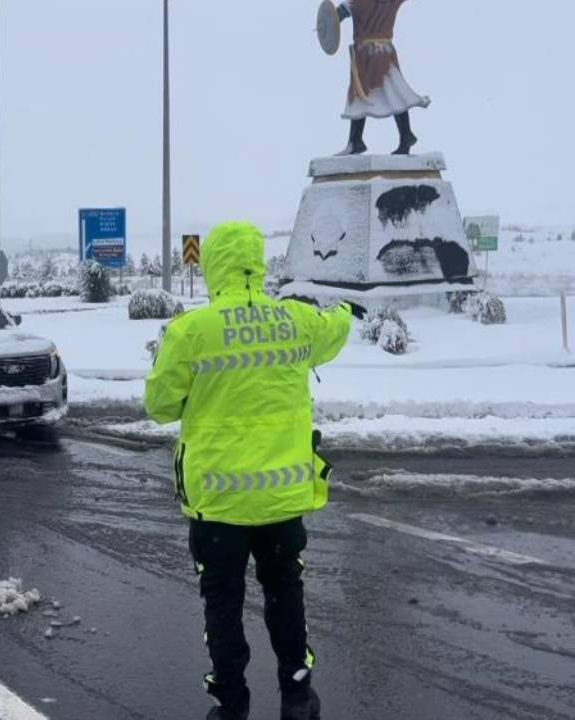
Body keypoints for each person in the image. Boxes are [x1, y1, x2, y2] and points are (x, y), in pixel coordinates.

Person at [144, 222, 362, 720]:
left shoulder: (192, 331)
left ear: (212, 265)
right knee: (286, 592)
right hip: (283, 498)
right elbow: (333, 332)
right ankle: (297, 693)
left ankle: (231, 703)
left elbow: (159, 405)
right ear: (259, 264)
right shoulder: (296, 322)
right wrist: (348, 310)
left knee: (222, 603)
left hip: (218, 503)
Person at [334, 0, 430, 155]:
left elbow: (337, 15)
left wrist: (326, 23)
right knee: (393, 93)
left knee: (361, 95)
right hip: (386, 50)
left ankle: (356, 141)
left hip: (367, 54)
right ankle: (403, 135)